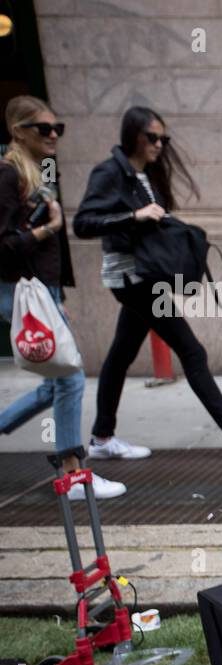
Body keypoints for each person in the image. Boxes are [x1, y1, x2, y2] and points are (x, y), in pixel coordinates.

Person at [72, 106, 222, 460]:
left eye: (163, 138)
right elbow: (83, 223)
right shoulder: (110, 173)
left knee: (120, 355)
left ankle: (102, 438)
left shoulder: (143, 176)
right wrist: (134, 215)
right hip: (131, 277)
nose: (159, 144)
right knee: (192, 351)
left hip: (141, 276)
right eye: (151, 137)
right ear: (132, 136)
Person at [1, 96, 124, 500]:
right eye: (43, 128)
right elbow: (3, 246)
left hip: (41, 291)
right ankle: (73, 476)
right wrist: (47, 228)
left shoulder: (36, 173)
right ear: (18, 131)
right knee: (69, 378)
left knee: (55, 383)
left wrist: (56, 296)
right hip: (21, 291)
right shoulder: (7, 176)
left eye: (58, 128)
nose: (53, 135)